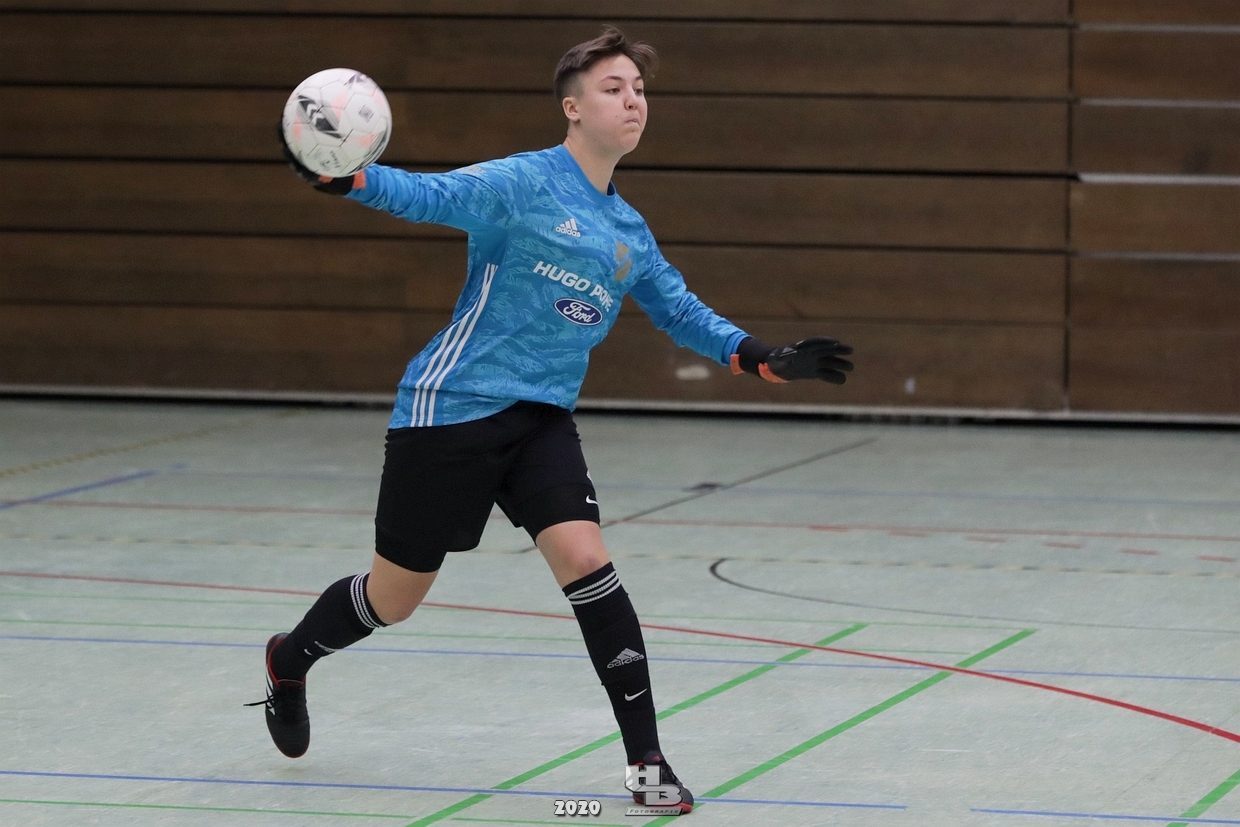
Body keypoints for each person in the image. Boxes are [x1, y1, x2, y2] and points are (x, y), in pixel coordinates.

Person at [253, 26, 853, 814]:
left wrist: (761, 357)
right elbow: (431, 195)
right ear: (572, 108)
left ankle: (646, 761)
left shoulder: (628, 231)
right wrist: (345, 178)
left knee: (587, 559)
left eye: (640, 90)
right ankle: (290, 659)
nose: (633, 101)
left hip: (541, 422)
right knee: (394, 598)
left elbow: (680, 310)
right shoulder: (521, 182)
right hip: (452, 411)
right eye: (614, 88)